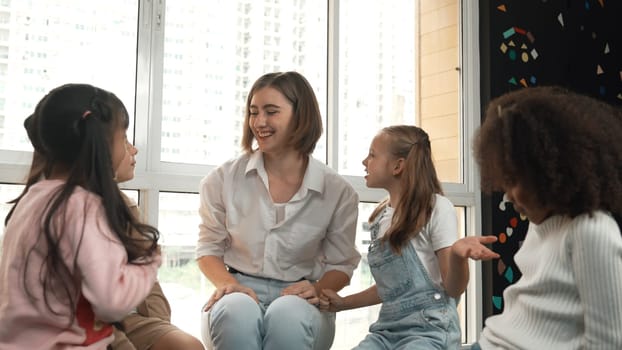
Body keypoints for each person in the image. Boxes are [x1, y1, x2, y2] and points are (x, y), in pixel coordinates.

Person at [197, 71, 361, 350]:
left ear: (301, 116)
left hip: (302, 294)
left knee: (288, 316)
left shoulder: (338, 192)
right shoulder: (222, 179)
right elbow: (208, 250)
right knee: (237, 311)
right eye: (253, 112)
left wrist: (317, 289)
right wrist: (229, 284)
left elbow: (341, 265)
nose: (259, 122)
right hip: (238, 285)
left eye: (271, 112)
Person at [0, 83, 162, 349]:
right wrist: (149, 262)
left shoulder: (32, 198)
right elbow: (112, 302)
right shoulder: (83, 207)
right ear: (99, 141)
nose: (130, 148)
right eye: (123, 138)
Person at [319, 125, 499, 349]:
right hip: (386, 331)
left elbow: (453, 288)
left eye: (372, 155)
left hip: (429, 330)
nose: (365, 161)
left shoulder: (436, 208)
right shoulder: (380, 218)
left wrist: (457, 255)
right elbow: (392, 288)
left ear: (398, 166)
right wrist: (343, 303)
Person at [472, 86, 622, 349]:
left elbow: (607, 343)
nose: (508, 197)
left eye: (513, 181)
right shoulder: (539, 223)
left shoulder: (592, 231)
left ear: (550, 172)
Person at [110, 142, 204, 350]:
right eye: (123, 142)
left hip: (128, 320)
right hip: (92, 321)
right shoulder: (77, 207)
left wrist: (163, 326)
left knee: (188, 346)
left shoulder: (125, 205)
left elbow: (148, 279)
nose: (134, 150)